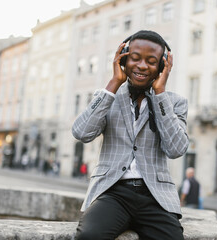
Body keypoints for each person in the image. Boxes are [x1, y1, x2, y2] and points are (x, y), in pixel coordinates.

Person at [72, 30, 189, 240]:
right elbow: (82, 132)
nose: (142, 66)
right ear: (123, 59)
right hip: (113, 192)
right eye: (135, 58)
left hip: (156, 196)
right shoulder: (107, 96)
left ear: (162, 67)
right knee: (88, 236)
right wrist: (114, 83)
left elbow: (176, 149)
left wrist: (160, 94)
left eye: (151, 61)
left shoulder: (174, 102)